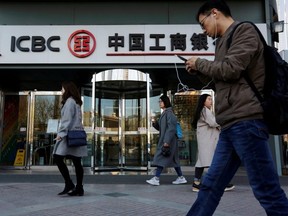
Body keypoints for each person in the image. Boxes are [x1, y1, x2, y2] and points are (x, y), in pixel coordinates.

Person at [185, 0, 288, 215]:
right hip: (231, 125)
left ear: (215, 13)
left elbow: (231, 69)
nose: (204, 31)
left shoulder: (245, 31)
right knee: (210, 185)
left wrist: (200, 63)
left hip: (247, 121)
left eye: (203, 24)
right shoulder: (222, 42)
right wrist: (199, 70)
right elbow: (226, 79)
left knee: (266, 189)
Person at [191, 93, 234, 192]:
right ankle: (221, 184)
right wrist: (224, 122)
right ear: (204, 101)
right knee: (216, 162)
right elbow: (214, 122)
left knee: (201, 163)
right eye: (209, 99)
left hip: (205, 141)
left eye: (211, 99)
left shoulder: (202, 111)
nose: (211, 101)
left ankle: (196, 184)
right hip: (207, 142)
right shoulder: (205, 111)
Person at [53, 81, 87, 196]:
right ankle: (79, 188)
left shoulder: (69, 102)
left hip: (69, 135)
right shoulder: (77, 102)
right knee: (77, 162)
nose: (61, 91)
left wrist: (61, 134)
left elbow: (67, 120)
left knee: (57, 158)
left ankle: (69, 183)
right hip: (77, 135)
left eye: (62, 89)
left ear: (67, 89)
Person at [146, 95, 187, 186]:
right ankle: (181, 177)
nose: (159, 103)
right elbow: (162, 128)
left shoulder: (169, 113)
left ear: (165, 102)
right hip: (169, 140)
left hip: (169, 141)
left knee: (161, 157)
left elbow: (171, 128)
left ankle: (156, 178)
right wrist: (154, 123)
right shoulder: (165, 113)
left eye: (161, 101)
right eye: (159, 101)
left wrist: (166, 141)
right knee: (174, 159)